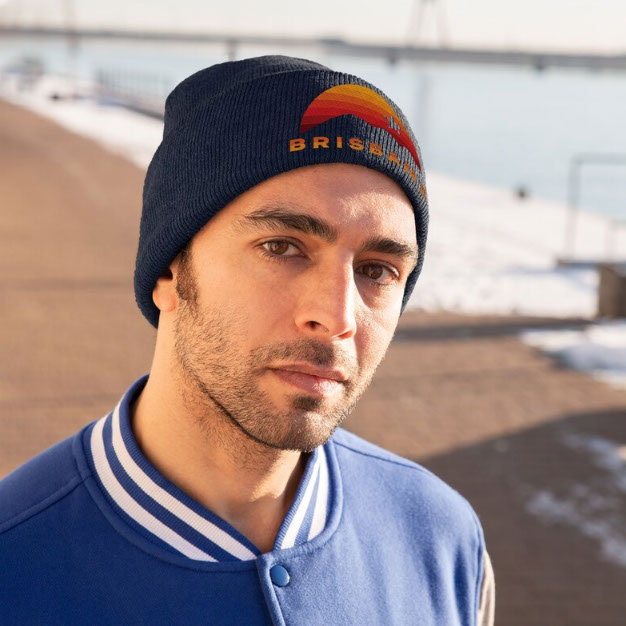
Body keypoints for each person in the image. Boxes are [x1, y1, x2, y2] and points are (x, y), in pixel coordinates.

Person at [0, 55, 494, 624]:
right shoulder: (15, 561)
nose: (337, 317)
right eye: (282, 248)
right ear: (170, 271)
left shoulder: (443, 539)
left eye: (377, 271)